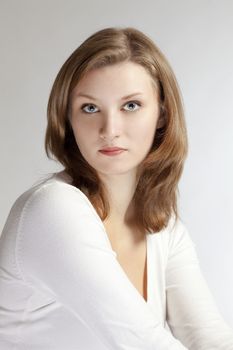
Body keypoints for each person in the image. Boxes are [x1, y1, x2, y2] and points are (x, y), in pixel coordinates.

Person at [0, 26, 232, 350]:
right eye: (90, 108)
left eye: (131, 106)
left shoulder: (164, 229)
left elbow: (208, 338)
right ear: (67, 118)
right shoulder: (51, 210)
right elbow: (144, 344)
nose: (110, 129)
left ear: (162, 115)